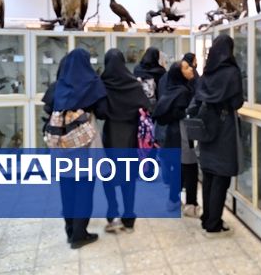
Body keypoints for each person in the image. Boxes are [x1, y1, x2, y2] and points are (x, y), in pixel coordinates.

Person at [42, 48, 107, 249]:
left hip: (61, 146)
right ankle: (80, 234)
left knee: (67, 188)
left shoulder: (57, 86)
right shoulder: (92, 84)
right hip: (83, 145)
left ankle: (70, 230)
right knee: (85, 190)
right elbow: (103, 112)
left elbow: (47, 107)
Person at [193, 35, 244, 236]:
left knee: (208, 176)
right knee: (221, 178)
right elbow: (236, 102)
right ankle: (214, 223)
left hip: (207, 127)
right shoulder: (232, 72)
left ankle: (207, 218)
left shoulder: (207, 72)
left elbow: (199, 97)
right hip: (225, 129)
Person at [96, 49, 150, 233]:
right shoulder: (133, 84)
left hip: (110, 137)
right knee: (129, 178)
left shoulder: (103, 84)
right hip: (130, 137)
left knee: (108, 176)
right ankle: (129, 218)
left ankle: (113, 214)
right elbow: (146, 105)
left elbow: (101, 112)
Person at [152, 61, 200, 216]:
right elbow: (180, 113)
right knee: (190, 168)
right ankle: (191, 205)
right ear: (179, 74)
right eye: (186, 68)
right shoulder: (183, 92)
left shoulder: (173, 89)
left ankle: (173, 200)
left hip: (173, 134)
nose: (190, 69)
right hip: (183, 134)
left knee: (178, 169)